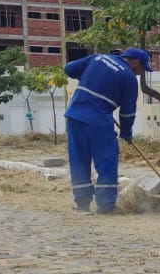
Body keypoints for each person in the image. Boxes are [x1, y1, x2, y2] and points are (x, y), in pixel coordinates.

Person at [63, 47, 150, 214]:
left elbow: (69, 69)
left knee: (79, 161)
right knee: (106, 162)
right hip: (98, 121)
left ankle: (81, 204)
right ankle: (105, 206)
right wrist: (126, 132)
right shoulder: (129, 78)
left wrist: (92, 76)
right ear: (136, 62)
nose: (141, 73)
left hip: (74, 115)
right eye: (142, 69)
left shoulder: (97, 58)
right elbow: (127, 112)